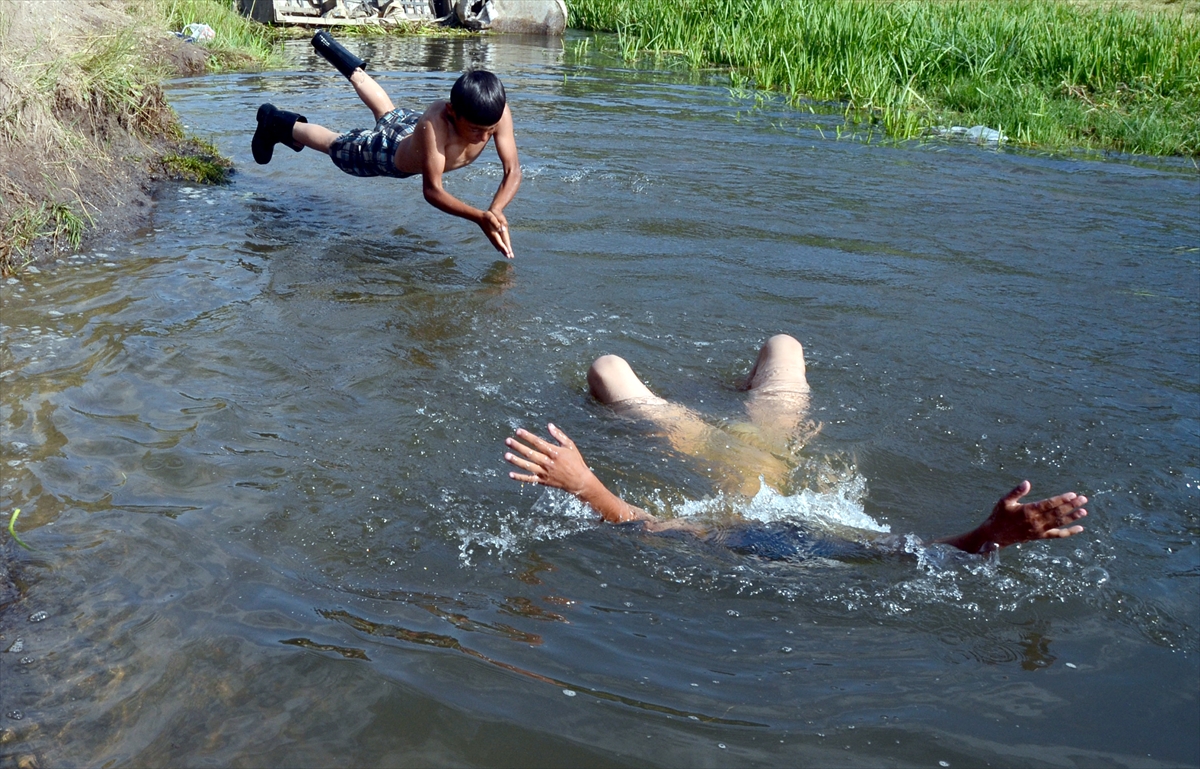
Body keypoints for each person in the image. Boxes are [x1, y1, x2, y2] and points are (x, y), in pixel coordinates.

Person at [502, 335, 1089, 556]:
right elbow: (917, 549)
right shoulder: (829, 528)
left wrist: (582, 483)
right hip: (773, 443)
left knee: (606, 367)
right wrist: (988, 534)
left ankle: (708, 398)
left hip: (700, 444)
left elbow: (639, 521)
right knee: (784, 345)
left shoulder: (731, 533)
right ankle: (727, 390)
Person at [250, 31, 521, 258]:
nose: (485, 138)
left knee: (388, 113)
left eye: (491, 130)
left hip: (409, 126)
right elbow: (432, 191)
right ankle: (276, 121)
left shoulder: (496, 110)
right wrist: (478, 217)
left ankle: (330, 48)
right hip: (387, 152)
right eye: (475, 130)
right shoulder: (435, 126)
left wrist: (495, 209)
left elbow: (512, 171)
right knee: (338, 145)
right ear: (452, 112)